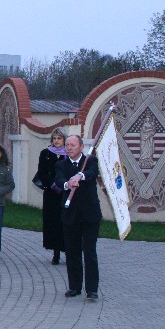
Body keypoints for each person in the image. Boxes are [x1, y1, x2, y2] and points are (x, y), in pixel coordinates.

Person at [55, 135, 102, 300]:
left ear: (81, 147)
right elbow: (59, 180)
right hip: (70, 215)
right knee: (72, 252)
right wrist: (68, 184)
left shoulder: (90, 161)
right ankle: (74, 287)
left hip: (90, 215)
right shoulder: (61, 164)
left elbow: (92, 173)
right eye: (67, 145)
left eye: (72, 145)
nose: (69, 148)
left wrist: (80, 176)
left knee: (89, 252)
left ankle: (92, 289)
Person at [35, 128, 68, 265]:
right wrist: (52, 184)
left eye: (59, 138)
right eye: (54, 138)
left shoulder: (69, 154)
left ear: (64, 139)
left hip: (66, 192)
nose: (56, 141)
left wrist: (65, 185)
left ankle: (68, 251)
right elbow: (42, 172)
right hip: (51, 193)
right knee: (53, 222)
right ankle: (56, 253)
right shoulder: (46, 153)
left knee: (66, 222)